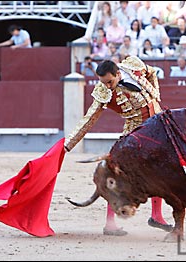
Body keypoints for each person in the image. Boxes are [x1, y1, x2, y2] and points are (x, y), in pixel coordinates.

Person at [64, 56, 173, 236]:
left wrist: (155, 96)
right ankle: (110, 224)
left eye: (109, 81)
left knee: (159, 170)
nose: (107, 86)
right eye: (103, 83)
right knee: (117, 175)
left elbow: (152, 72)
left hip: (158, 127)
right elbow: (89, 118)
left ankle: (156, 216)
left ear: (118, 73)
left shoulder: (133, 66)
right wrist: (68, 144)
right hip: (135, 132)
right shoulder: (103, 91)